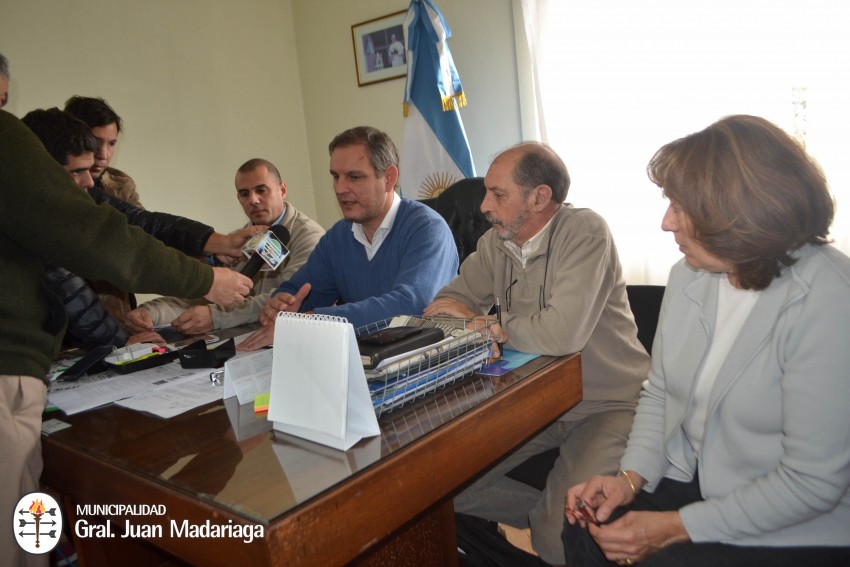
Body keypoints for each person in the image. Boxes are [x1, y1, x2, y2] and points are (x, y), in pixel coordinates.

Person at [563, 115, 850, 567]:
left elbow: (811, 483)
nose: (665, 222)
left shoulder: (828, 297)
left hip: (800, 516)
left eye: (681, 206)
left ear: (739, 211)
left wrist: (675, 527)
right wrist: (629, 478)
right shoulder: (689, 276)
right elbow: (658, 393)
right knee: (587, 528)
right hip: (698, 477)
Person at [0, 108, 252, 566]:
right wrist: (203, 283)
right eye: (78, 171)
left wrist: (213, 247)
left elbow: (141, 225)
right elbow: (89, 255)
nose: (91, 181)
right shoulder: (24, 170)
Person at [423, 142, 649, 565]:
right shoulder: (496, 243)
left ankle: (551, 523)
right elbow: (442, 306)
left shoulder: (584, 232)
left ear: (539, 197)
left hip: (605, 404)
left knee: (556, 537)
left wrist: (486, 325)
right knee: (444, 489)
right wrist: (475, 321)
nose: (484, 205)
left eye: (497, 194)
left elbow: (563, 334)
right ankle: (543, 512)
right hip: (535, 403)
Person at [22, 107, 262, 328]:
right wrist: (207, 280)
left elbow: (143, 225)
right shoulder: (35, 210)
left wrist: (216, 243)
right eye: (78, 170)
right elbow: (124, 252)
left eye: (111, 143)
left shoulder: (105, 188)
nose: (102, 155)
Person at [238, 126, 458, 351]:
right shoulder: (338, 237)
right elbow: (303, 290)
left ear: (389, 178)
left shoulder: (427, 229)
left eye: (354, 177)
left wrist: (316, 322)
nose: (340, 188)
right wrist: (281, 302)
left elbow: (411, 305)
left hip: (429, 364)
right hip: (366, 360)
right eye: (336, 176)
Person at [127, 158, 325, 335]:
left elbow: (284, 299)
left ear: (282, 190)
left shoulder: (310, 237)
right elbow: (205, 293)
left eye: (261, 190)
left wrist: (215, 317)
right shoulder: (236, 242)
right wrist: (153, 311)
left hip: (290, 339)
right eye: (244, 194)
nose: (253, 200)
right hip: (240, 341)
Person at [65, 95, 144, 208]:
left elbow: (144, 222)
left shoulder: (122, 186)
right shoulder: (50, 180)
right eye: (95, 142)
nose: (103, 155)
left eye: (111, 144)